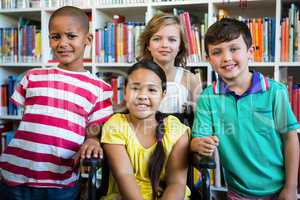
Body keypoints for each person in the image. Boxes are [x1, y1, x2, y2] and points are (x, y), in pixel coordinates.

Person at [0, 6, 113, 200]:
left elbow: (94, 127)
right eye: (55, 36)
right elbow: (30, 121)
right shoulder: (32, 76)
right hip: (13, 176)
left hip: (60, 182)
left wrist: (92, 139)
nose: (62, 43)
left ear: (88, 40)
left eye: (71, 36)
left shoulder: (99, 88)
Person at [191, 18, 300, 200]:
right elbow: (197, 140)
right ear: (208, 59)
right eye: (217, 52)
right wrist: (198, 144)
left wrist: (291, 187)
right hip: (237, 192)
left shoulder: (275, 91)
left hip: (280, 189)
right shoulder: (207, 98)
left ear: (250, 52)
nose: (226, 58)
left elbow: (290, 139)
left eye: (234, 49)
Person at [101, 59, 191, 200]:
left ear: (163, 95)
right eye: (135, 88)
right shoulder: (115, 125)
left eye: (152, 90)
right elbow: (124, 176)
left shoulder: (176, 130)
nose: (142, 96)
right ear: (125, 92)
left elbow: (176, 183)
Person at [138, 13, 202, 113]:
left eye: (172, 39)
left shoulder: (191, 80)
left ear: (180, 46)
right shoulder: (137, 77)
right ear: (148, 45)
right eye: (157, 39)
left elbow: (201, 121)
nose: (165, 45)